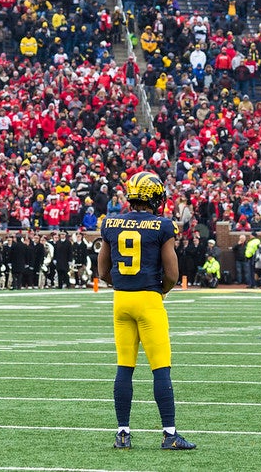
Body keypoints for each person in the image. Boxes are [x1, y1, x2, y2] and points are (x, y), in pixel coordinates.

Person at [98, 171, 196, 451]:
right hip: (149, 300)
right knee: (160, 368)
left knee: (124, 367)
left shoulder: (110, 223)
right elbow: (172, 273)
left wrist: (124, 284)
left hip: (121, 301)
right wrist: (159, 289)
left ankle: (123, 434)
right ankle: (169, 434)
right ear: (154, 197)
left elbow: (103, 271)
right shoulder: (163, 225)